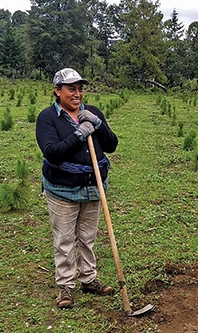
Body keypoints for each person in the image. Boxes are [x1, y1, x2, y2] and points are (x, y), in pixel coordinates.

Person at [35, 68, 119, 309]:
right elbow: (52, 153)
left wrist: (98, 124)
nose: (77, 93)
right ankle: (66, 287)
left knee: (87, 237)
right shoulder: (47, 118)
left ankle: (89, 279)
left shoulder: (92, 112)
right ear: (57, 90)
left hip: (93, 187)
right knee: (64, 240)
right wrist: (79, 134)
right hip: (63, 190)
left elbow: (111, 145)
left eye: (80, 88)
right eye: (71, 88)